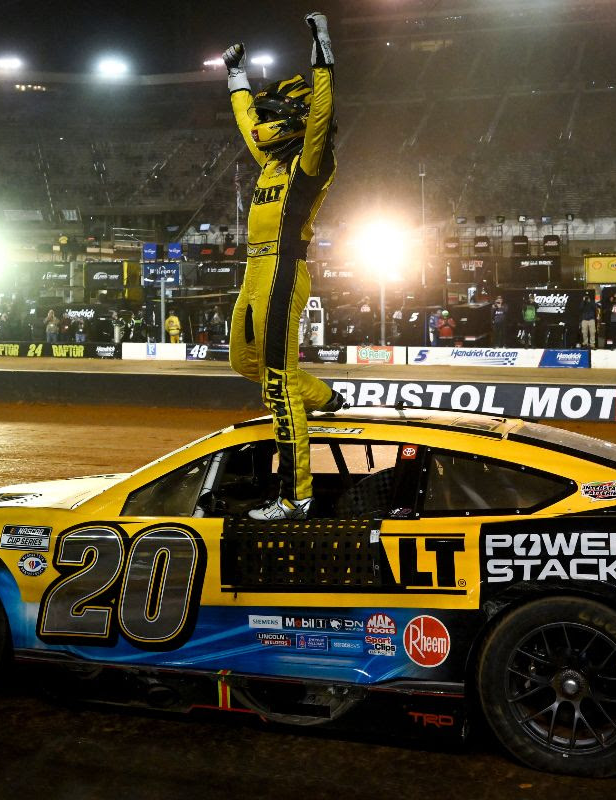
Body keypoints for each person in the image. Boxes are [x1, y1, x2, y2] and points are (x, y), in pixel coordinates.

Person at [223, 12, 346, 521]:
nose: (263, 123)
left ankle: (297, 496)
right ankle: (328, 398)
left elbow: (321, 111)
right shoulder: (271, 162)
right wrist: (236, 77)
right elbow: (246, 121)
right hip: (255, 274)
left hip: (281, 274)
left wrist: (322, 49)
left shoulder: (310, 163)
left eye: (275, 114)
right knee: (242, 363)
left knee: (275, 380)